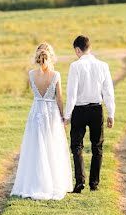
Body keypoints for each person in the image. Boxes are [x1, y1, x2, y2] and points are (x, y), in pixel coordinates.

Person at [10, 43, 74, 200]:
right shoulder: (56, 75)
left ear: (37, 57)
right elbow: (59, 98)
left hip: (36, 111)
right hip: (51, 113)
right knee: (52, 146)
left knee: (36, 147)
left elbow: (34, 92)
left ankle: (35, 182)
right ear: (51, 57)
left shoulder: (31, 74)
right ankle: (52, 183)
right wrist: (62, 116)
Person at [63, 35, 115, 193]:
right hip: (96, 109)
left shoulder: (75, 66)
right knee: (97, 146)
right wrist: (111, 113)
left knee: (76, 146)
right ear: (89, 48)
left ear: (78, 50)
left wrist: (67, 116)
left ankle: (80, 182)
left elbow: (71, 93)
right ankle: (94, 184)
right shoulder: (103, 65)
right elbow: (108, 91)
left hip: (79, 110)